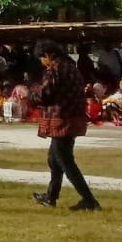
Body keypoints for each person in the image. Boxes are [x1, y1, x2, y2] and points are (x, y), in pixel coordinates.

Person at [32, 41, 101, 212]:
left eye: (42, 58)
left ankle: (89, 200)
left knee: (65, 162)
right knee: (54, 159)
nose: (42, 62)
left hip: (62, 118)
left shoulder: (55, 70)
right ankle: (51, 196)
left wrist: (33, 91)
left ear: (48, 55)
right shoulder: (72, 67)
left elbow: (45, 95)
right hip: (74, 117)